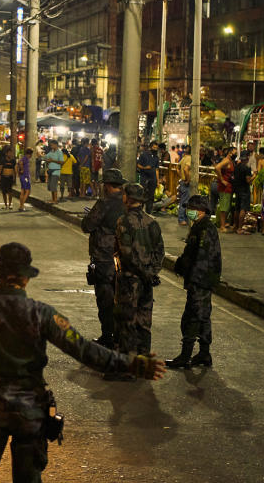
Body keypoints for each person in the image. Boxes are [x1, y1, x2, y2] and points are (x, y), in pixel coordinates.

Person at [0, 242, 166, 483]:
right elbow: (83, 349)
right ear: (26, 278)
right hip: (29, 413)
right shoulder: (42, 314)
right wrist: (131, 364)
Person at [106, 183, 165, 380]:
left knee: (127, 323)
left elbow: (126, 253)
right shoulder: (152, 222)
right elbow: (160, 252)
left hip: (130, 281)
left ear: (128, 199)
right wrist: (151, 272)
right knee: (144, 323)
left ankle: (127, 369)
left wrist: (141, 272)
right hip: (147, 281)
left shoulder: (124, 222)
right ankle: (145, 365)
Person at [167, 195, 221, 369]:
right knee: (203, 316)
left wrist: (193, 280)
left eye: (191, 208)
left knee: (193, 316)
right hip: (201, 280)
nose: (188, 211)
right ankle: (204, 354)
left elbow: (202, 257)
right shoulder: (199, 226)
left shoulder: (205, 229)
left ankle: (185, 356)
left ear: (202, 211)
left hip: (201, 280)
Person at [80, 169, 128, 348]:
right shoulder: (127, 202)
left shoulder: (104, 203)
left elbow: (88, 225)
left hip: (104, 257)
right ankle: (122, 336)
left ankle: (108, 336)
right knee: (123, 298)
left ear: (107, 185)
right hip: (124, 258)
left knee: (105, 299)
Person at [214, 146, 236, 232]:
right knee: (224, 206)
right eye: (234, 152)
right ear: (230, 153)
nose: (235, 154)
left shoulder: (230, 161)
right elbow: (217, 168)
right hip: (224, 187)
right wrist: (222, 180)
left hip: (228, 186)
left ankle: (224, 224)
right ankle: (222, 226)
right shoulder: (226, 160)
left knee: (226, 206)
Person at [232, 158, 255, 234]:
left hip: (237, 189)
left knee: (237, 208)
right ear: (247, 159)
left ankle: (235, 226)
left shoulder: (236, 167)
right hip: (244, 190)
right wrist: (254, 175)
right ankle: (239, 228)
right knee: (243, 209)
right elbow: (248, 180)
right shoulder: (247, 168)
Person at [136, 142, 159, 213]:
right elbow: (138, 165)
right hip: (144, 178)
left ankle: (149, 211)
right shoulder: (144, 155)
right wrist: (145, 168)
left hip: (153, 179)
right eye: (154, 148)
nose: (155, 149)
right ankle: (140, 211)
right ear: (150, 147)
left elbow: (156, 169)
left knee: (151, 196)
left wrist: (157, 181)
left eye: (156, 148)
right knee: (142, 194)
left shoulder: (156, 157)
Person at [0, 145, 17, 210]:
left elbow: (14, 170)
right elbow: (0, 169)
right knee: (4, 192)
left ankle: (10, 204)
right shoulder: (3, 160)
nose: (10, 154)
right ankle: (5, 204)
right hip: (3, 177)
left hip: (10, 177)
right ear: (6, 153)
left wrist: (14, 177)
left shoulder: (13, 161)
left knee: (10, 191)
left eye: (11, 153)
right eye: (9, 153)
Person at [17, 147, 33, 212]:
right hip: (25, 176)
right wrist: (22, 169)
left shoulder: (23, 158)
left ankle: (21, 205)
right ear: (29, 154)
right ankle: (21, 205)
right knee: (27, 191)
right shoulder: (25, 158)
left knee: (23, 191)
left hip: (22, 176)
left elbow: (19, 163)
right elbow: (20, 163)